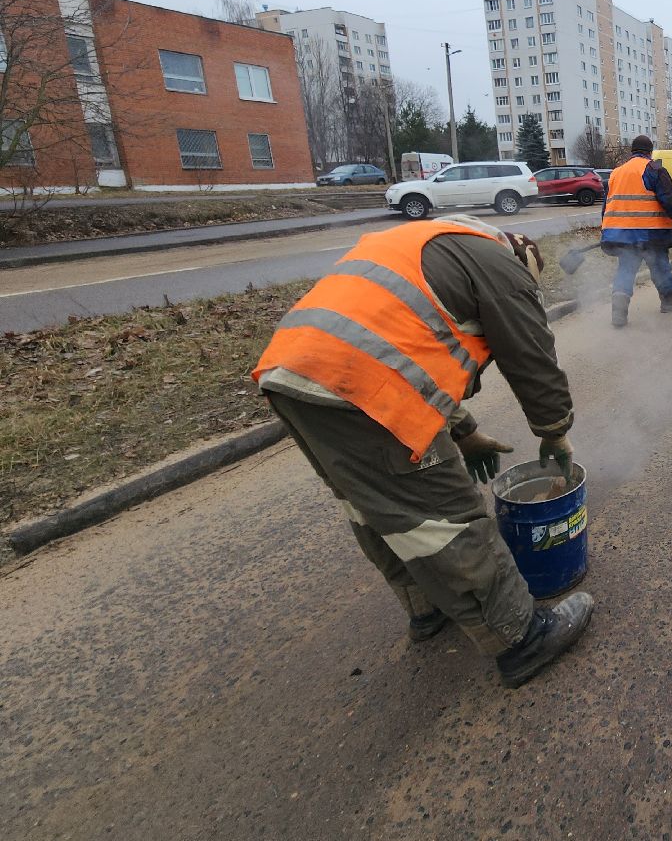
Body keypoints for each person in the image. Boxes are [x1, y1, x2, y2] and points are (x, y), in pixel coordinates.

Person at [251, 214, 594, 689]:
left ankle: (427, 607)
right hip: (362, 384)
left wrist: (465, 431)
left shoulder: (430, 245)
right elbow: (530, 354)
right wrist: (555, 431)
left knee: (372, 504)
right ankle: (522, 639)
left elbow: (414, 349)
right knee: (449, 516)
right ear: (523, 261)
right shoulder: (503, 266)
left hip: (292, 374)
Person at [600, 133, 672, 328]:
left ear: (632, 152)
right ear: (650, 152)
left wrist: (607, 230)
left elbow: (607, 207)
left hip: (622, 234)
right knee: (660, 266)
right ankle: (668, 302)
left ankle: (619, 314)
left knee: (626, 269)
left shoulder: (616, 172)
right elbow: (670, 199)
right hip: (651, 233)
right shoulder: (654, 169)